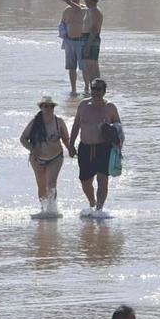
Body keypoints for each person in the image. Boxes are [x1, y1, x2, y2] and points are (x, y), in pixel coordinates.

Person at [70, 79, 121, 218]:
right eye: (94, 89)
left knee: (102, 180)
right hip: (85, 147)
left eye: (99, 89)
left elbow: (119, 129)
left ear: (104, 91)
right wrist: (70, 144)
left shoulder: (110, 107)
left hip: (104, 148)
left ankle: (99, 210)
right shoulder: (83, 105)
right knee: (85, 181)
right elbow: (76, 126)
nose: (96, 92)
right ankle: (92, 202)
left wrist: (119, 148)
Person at [21, 96, 77, 218]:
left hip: (55, 157)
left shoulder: (59, 121)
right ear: (41, 107)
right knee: (41, 184)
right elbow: (23, 138)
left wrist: (71, 149)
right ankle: (43, 210)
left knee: (51, 183)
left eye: (51, 106)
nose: (48, 108)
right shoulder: (34, 122)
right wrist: (32, 149)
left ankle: (52, 210)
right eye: (45, 106)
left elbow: (65, 139)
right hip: (37, 159)